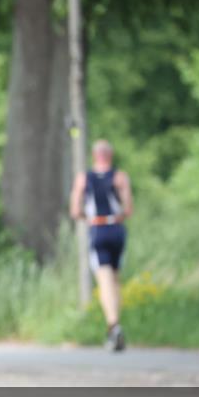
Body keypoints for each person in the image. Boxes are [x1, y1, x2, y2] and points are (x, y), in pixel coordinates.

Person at [69, 140, 133, 352]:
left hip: (97, 229)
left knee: (104, 279)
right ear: (110, 155)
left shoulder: (83, 178)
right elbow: (128, 209)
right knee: (115, 279)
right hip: (116, 228)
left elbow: (75, 210)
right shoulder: (119, 176)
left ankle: (113, 325)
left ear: (94, 156)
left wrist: (86, 216)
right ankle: (115, 325)